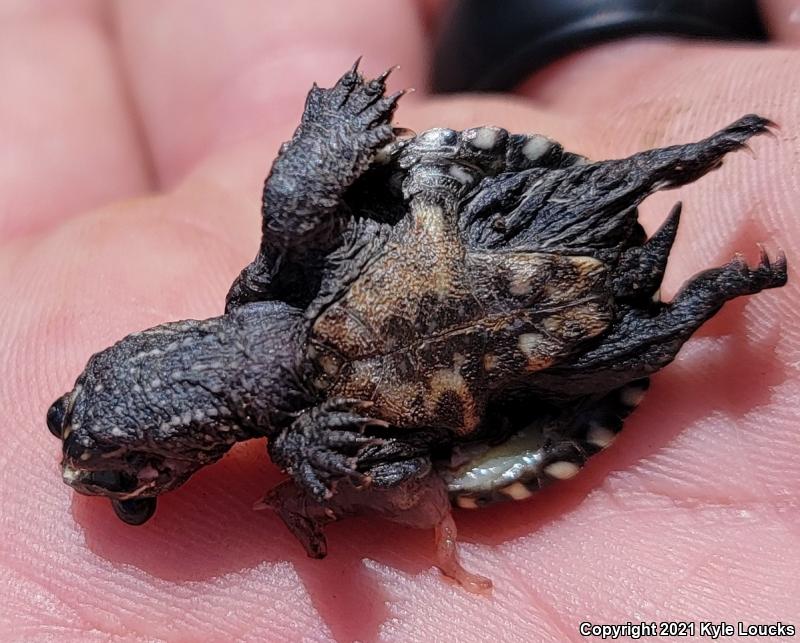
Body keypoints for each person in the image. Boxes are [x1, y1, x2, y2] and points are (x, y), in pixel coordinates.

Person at [1, 2, 797, 641]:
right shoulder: (298, 349)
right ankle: (714, 280)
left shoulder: (296, 338)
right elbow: (397, 472)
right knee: (615, 338)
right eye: (133, 490)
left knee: (605, 279)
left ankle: (713, 255)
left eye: (134, 485)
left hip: (512, 234)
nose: (127, 488)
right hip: (539, 341)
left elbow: (394, 474)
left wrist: (311, 488)